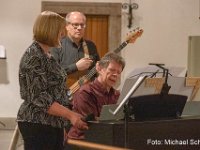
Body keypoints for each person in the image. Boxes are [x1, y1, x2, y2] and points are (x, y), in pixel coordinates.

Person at [17, 11, 88, 150]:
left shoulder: (47, 54)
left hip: (52, 122)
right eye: (60, 30)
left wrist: (63, 120)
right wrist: (70, 115)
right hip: (37, 122)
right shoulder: (34, 57)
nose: (62, 34)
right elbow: (40, 98)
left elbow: (55, 89)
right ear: (50, 31)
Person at [67, 52, 125, 140]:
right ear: (100, 69)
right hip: (81, 141)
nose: (115, 75)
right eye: (112, 70)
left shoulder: (117, 95)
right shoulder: (85, 92)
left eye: (118, 72)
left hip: (105, 138)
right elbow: (91, 124)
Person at [50, 11, 100, 88]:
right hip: (63, 94)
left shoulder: (91, 45)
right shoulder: (56, 45)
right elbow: (52, 73)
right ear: (67, 26)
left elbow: (96, 71)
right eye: (75, 25)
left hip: (87, 94)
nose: (79, 28)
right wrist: (76, 66)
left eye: (82, 25)